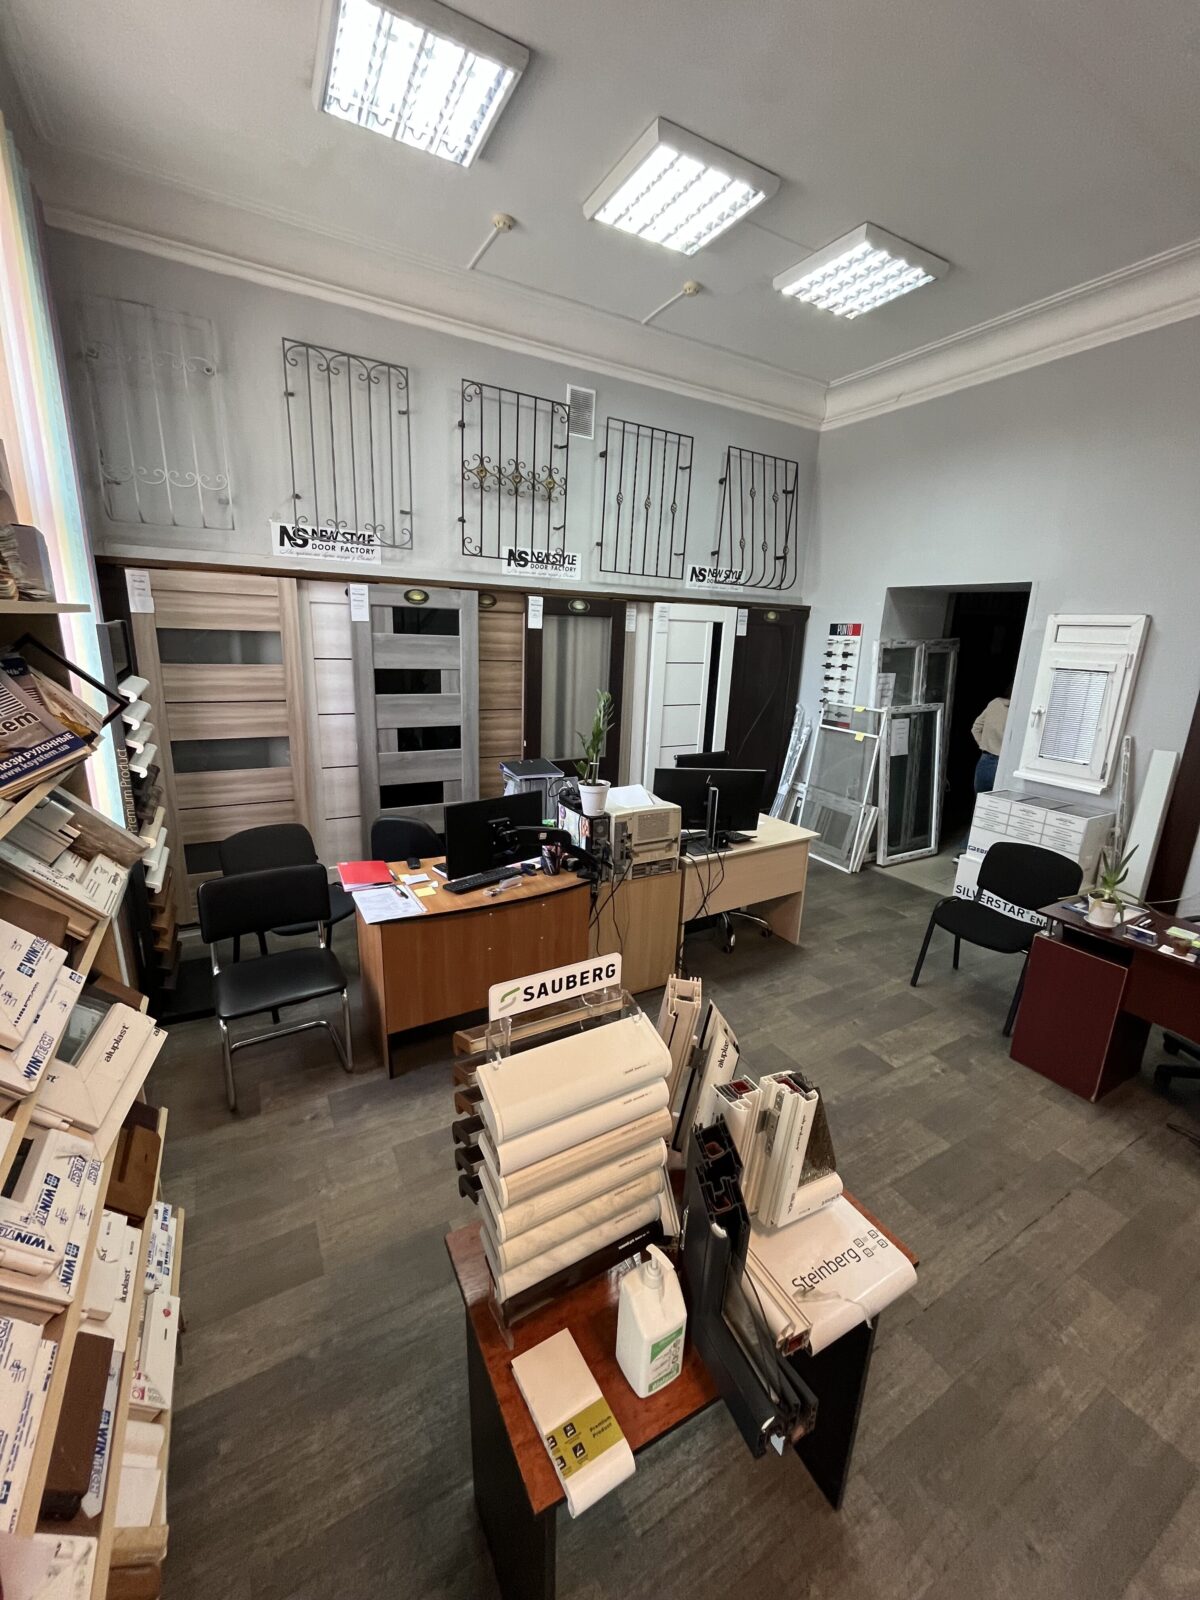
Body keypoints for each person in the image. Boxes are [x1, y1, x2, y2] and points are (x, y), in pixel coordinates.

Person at [970, 694, 1010, 793]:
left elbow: (976, 728)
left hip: (987, 759)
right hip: (1008, 763)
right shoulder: (1022, 709)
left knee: (981, 800)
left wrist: (984, 745)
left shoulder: (995, 703)